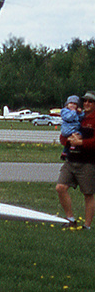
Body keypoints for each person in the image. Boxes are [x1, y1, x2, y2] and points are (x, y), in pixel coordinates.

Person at [55, 92, 95, 227]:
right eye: (85, 101)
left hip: (87, 162)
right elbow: (62, 137)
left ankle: (87, 226)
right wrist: (69, 140)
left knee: (88, 194)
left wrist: (81, 143)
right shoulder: (76, 116)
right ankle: (70, 219)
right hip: (71, 160)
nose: (87, 104)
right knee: (60, 187)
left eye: (90, 101)